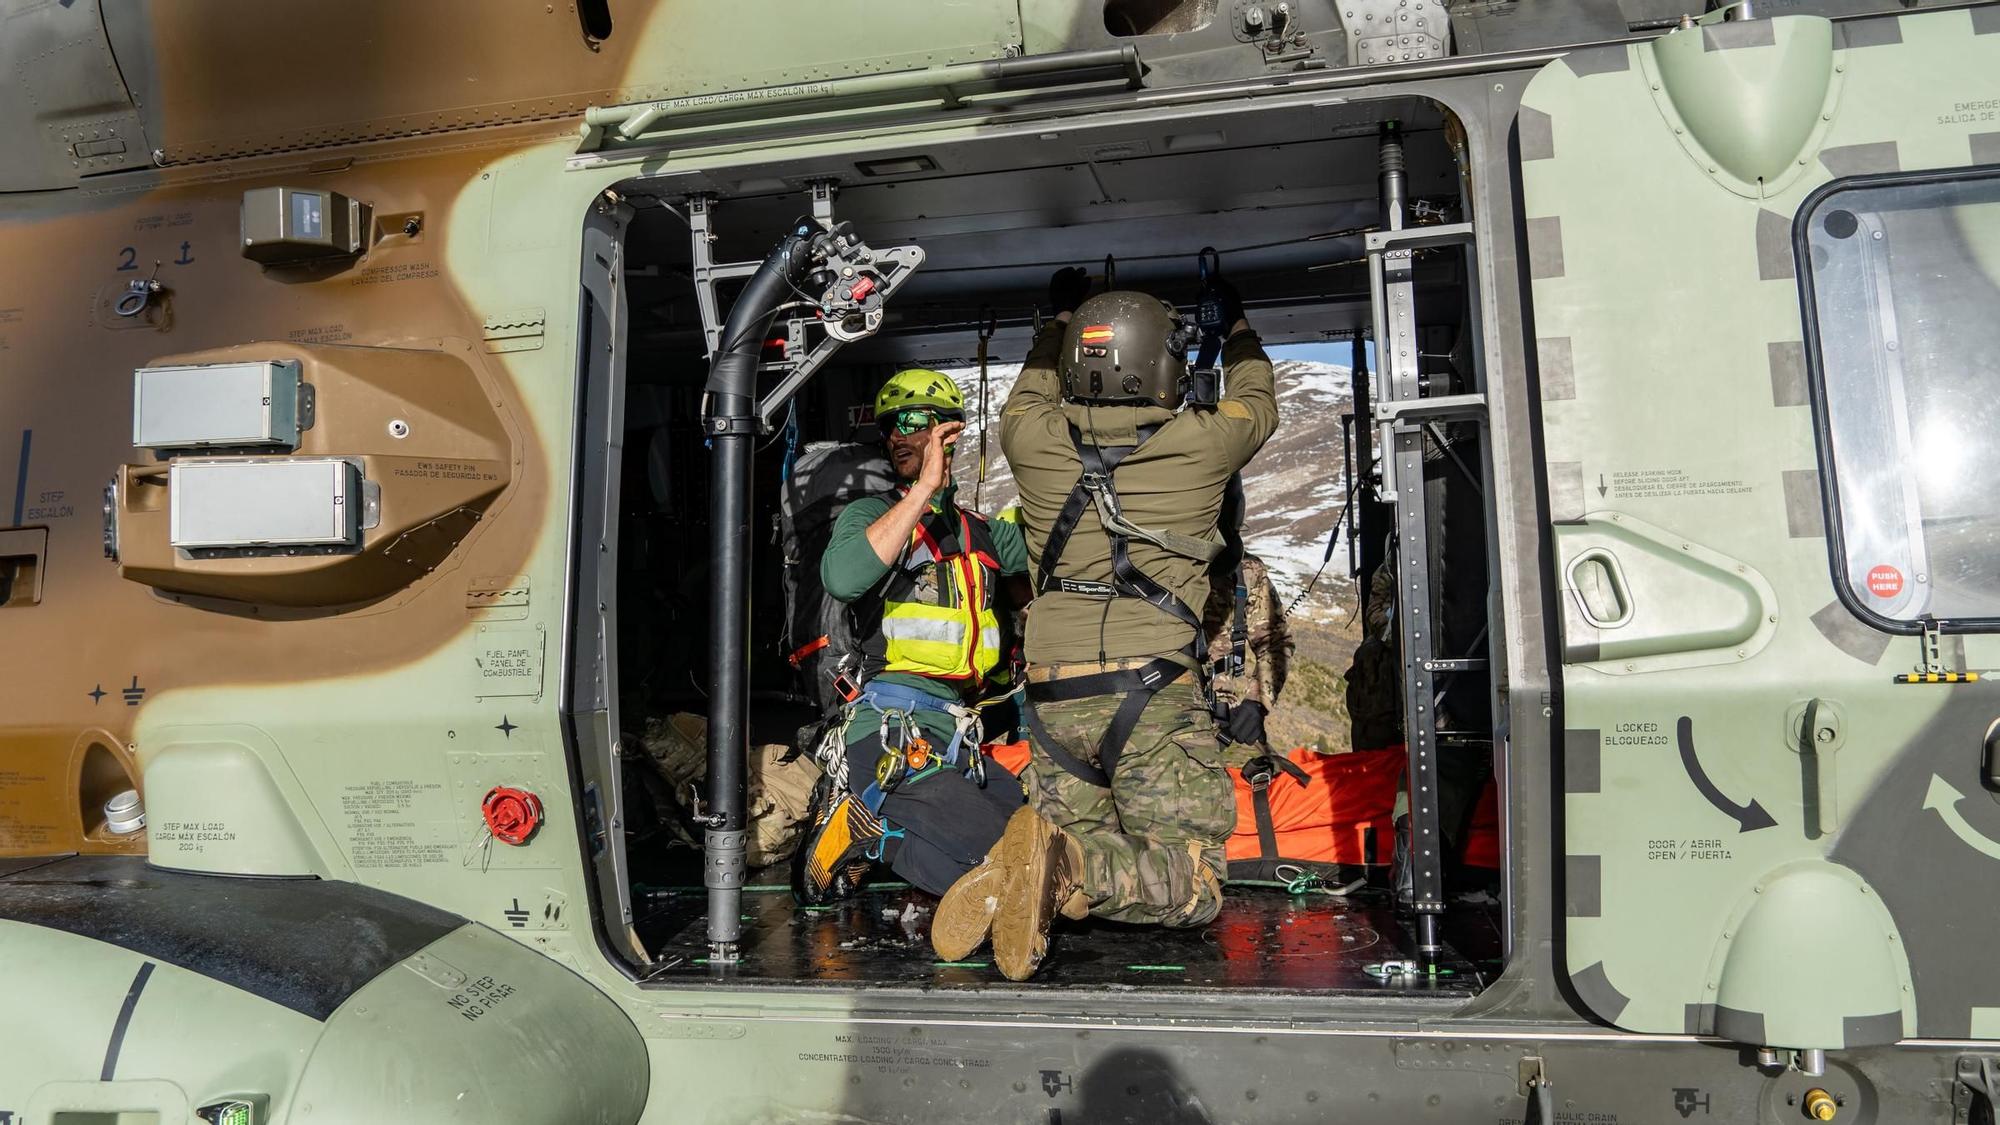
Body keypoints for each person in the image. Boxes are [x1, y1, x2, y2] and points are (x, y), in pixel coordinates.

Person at [932, 269, 1280, 980]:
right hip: (1151, 688)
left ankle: (1035, 872)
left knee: (1075, 840)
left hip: (1052, 692)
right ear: (1159, 364)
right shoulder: (1205, 442)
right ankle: (1065, 868)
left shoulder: (1027, 435)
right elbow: (1258, 396)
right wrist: (1238, 327)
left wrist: (1060, 316)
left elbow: (1032, 379)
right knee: (1194, 882)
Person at [793, 369, 1031, 905]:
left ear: (951, 433)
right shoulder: (872, 514)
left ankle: (866, 839)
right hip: (890, 733)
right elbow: (844, 577)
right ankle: (863, 825)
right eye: (891, 427)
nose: (898, 435)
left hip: (957, 734)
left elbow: (1057, 544)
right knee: (1005, 852)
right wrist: (924, 487)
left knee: (1028, 830)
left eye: (914, 421)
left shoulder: (984, 534)